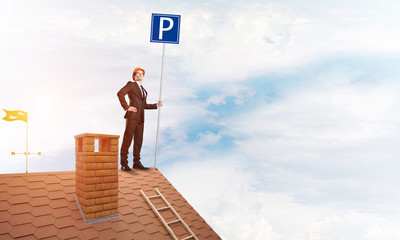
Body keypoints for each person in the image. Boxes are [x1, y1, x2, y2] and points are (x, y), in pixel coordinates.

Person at [117, 67, 162, 171]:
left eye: (142, 73)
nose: (140, 75)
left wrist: (156, 105)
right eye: (138, 73)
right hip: (132, 117)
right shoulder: (131, 85)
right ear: (134, 76)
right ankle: (124, 163)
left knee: (138, 140)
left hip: (141, 118)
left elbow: (144, 105)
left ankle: (136, 163)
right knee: (127, 139)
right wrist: (127, 107)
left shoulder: (143, 90)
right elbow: (120, 94)